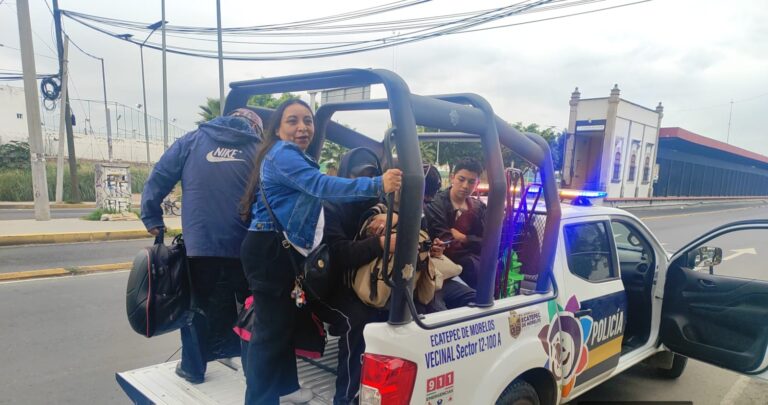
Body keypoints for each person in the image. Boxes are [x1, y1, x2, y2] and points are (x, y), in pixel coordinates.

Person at [238, 99, 402, 405]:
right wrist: (377, 183)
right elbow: (319, 185)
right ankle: (258, 400)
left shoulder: (286, 155)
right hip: (270, 251)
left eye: (308, 121)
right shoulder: (283, 154)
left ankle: (286, 387)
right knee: (270, 334)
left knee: (283, 324)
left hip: (278, 250)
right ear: (278, 128)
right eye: (293, 121)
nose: (303, 128)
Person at [140, 107, 263, 384]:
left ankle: (193, 369)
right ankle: (254, 373)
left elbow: (158, 176)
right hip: (246, 246)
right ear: (255, 127)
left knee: (195, 307)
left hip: (200, 245)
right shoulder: (259, 149)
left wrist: (151, 216)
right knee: (251, 308)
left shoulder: (192, 140)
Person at [319, 147, 392, 405]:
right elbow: (339, 254)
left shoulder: (379, 202)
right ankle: (345, 396)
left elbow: (419, 222)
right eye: (356, 177)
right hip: (327, 283)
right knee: (357, 319)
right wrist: (381, 243)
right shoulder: (330, 205)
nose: (362, 182)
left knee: (410, 303)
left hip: (369, 279)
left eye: (371, 175)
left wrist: (389, 216)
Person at [425, 158, 487, 290]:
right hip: (443, 266)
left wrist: (464, 238)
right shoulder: (436, 204)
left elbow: (489, 242)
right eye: (461, 179)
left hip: (474, 265)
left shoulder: (478, 207)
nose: (465, 186)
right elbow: (446, 241)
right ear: (452, 178)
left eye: (471, 182)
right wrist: (474, 243)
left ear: (477, 183)